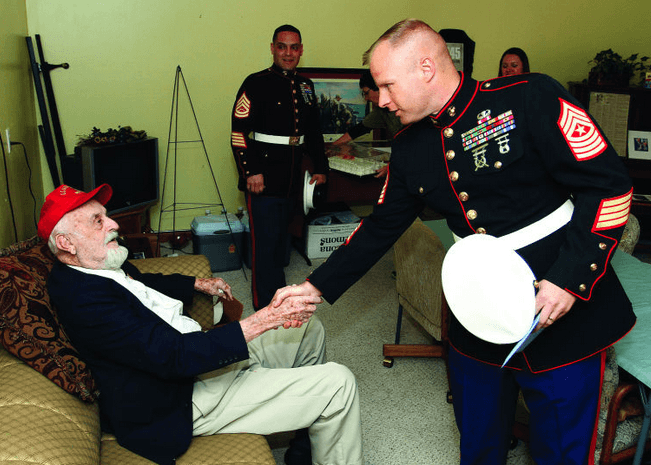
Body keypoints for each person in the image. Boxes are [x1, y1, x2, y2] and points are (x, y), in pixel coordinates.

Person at [273, 19, 635, 465]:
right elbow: (380, 227)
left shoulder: (529, 97)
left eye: (387, 85)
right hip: (475, 310)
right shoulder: (409, 146)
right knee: (478, 440)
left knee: (561, 448)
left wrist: (569, 279)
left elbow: (610, 186)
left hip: (559, 304)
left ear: (426, 68)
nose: (381, 99)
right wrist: (314, 288)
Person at [40, 184, 362, 465]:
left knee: (309, 329)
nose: (113, 224)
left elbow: (141, 281)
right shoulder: (84, 300)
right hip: (181, 399)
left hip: (196, 358)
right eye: (98, 221)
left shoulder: (94, 265)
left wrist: (197, 283)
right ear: (68, 243)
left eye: (106, 215)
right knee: (339, 384)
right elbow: (174, 356)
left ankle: (305, 449)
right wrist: (263, 320)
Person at [231, 24, 328, 311]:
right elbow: (238, 132)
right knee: (264, 246)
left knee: (280, 242)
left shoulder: (306, 86)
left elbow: (313, 131)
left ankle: (280, 297)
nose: (288, 53)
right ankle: (265, 309)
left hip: (292, 177)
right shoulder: (255, 82)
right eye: (282, 46)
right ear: (272, 48)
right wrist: (250, 172)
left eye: (294, 47)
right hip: (264, 175)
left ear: (300, 50)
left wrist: (321, 167)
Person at [332, 70, 402, 178]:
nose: (366, 98)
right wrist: (332, 148)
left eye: (366, 93)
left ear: (379, 88)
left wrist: (392, 167)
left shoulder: (407, 106)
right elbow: (358, 130)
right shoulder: (381, 111)